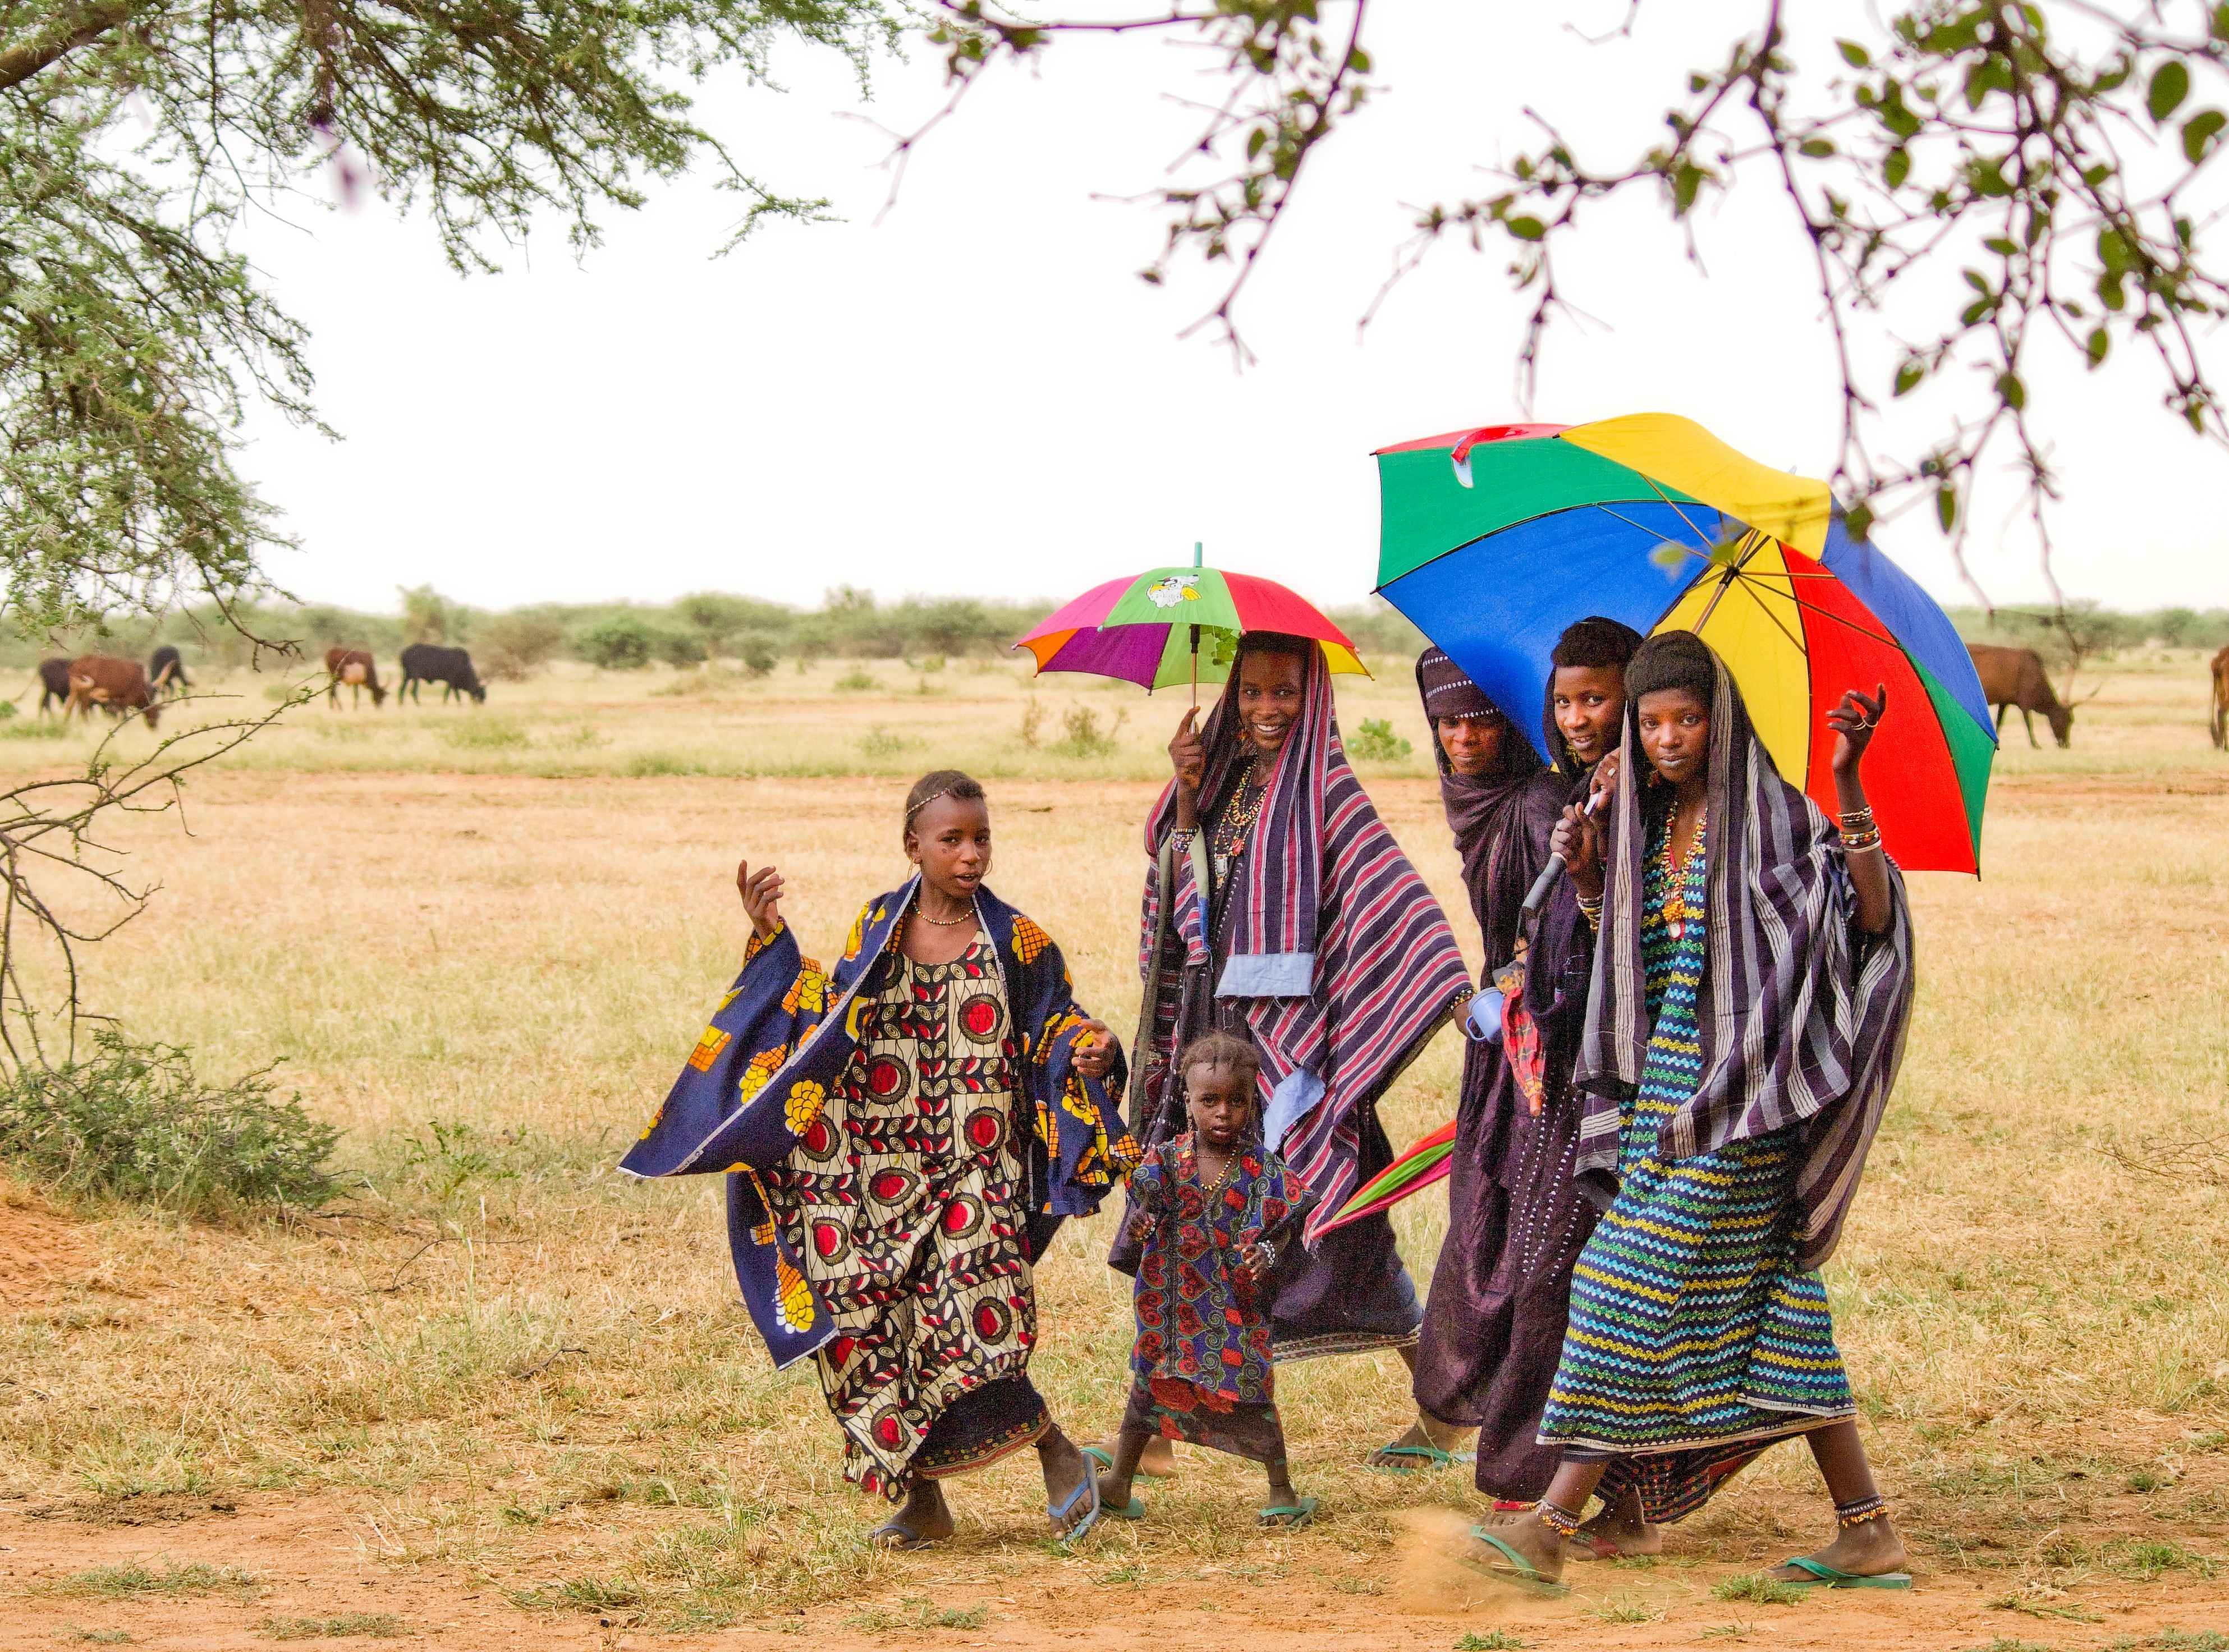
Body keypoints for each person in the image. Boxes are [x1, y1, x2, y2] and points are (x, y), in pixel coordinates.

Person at [1465, 630, 1916, 1590]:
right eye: (1652, 721)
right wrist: (1589, 873)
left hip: (1752, 1098)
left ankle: (1550, 1522)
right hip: (1663, 1097)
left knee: (1614, 1283)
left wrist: (1847, 784)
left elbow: (1867, 919)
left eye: (1686, 718)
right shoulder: (1643, 819)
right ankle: (1866, 1527)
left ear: (1722, 721)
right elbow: (1636, 966)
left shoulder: (1781, 820)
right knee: (1775, 1311)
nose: (1667, 738)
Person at [620, 770, 1139, 1548]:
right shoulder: (876, 927)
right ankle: (923, 1499)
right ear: (913, 846)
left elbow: (1055, 1023)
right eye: (952, 839)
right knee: (868, 1319)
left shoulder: (1019, 940)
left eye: (981, 837)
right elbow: (823, 1025)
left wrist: (1087, 1050)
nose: (970, 854)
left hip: (979, 1165)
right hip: (877, 1165)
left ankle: (1055, 1451)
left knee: (972, 1308)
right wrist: (769, 938)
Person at [1113, 631, 1473, 1473]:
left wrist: (1454, 991)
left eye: (1284, 695)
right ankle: (1161, 1430)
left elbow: (1400, 903)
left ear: (1313, 700)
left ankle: (1446, 1410)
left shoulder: (1329, 795)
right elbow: (1180, 875)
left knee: (1339, 1236)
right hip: (1213, 1038)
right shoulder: (1226, 782)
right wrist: (1188, 791)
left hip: (1288, 1058)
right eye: (1252, 694)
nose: (1266, 711)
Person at [1401, 624, 1650, 1549]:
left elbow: (1614, 933)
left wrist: (1536, 953)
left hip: (1581, 1059)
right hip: (1512, 1046)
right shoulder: (1536, 798)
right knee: (1498, 1240)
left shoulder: (1557, 798)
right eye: (1444, 724)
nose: (1462, 740)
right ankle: (1607, 1493)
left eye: (1477, 720)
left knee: (1552, 1266)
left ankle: (1534, 1487)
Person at [1094, 1031, 1322, 1528]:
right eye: (1210, 1100)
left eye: (1237, 1102)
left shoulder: (1262, 1169)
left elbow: (1285, 1226)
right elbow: (1145, 1202)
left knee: (1251, 1395)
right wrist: (1142, 1220)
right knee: (1148, 1392)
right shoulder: (1169, 1160)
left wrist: (1265, 1251)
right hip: (1172, 1305)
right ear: (1188, 1100)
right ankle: (1118, 1483)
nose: (1224, 1113)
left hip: (1232, 1311)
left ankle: (1281, 1490)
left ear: (1253, 1101)